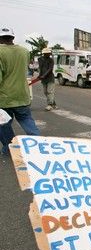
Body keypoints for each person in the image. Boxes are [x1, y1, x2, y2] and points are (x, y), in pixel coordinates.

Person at [0, 27, 40, 155]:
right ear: (12, 38)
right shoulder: (24, 51)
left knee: (3, 123)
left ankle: (10, 147)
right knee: (26, 119)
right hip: (22, 94)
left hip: (5, 98)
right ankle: (38, 144)